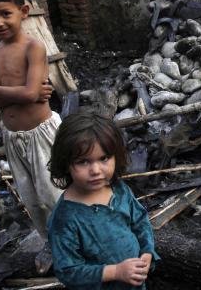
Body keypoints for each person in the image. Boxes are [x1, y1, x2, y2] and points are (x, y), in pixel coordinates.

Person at [0, 0, 60, 238]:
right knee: (31, 197)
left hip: (41, 134)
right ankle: (51, 242)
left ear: (23, 12)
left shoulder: (33, 48)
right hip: (12, 137)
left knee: (54, 192)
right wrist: (24, 94)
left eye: (5, 13)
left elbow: (28, 92)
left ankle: (75, 239)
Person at [47, 113, 159, 289]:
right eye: (83, 162)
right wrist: (115, 272)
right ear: (66, 163)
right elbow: (68, 271)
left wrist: (147, 252)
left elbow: (140, 220)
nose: (96, 170)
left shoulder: (118, 189)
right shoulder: (65, 218)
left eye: (104, 158)